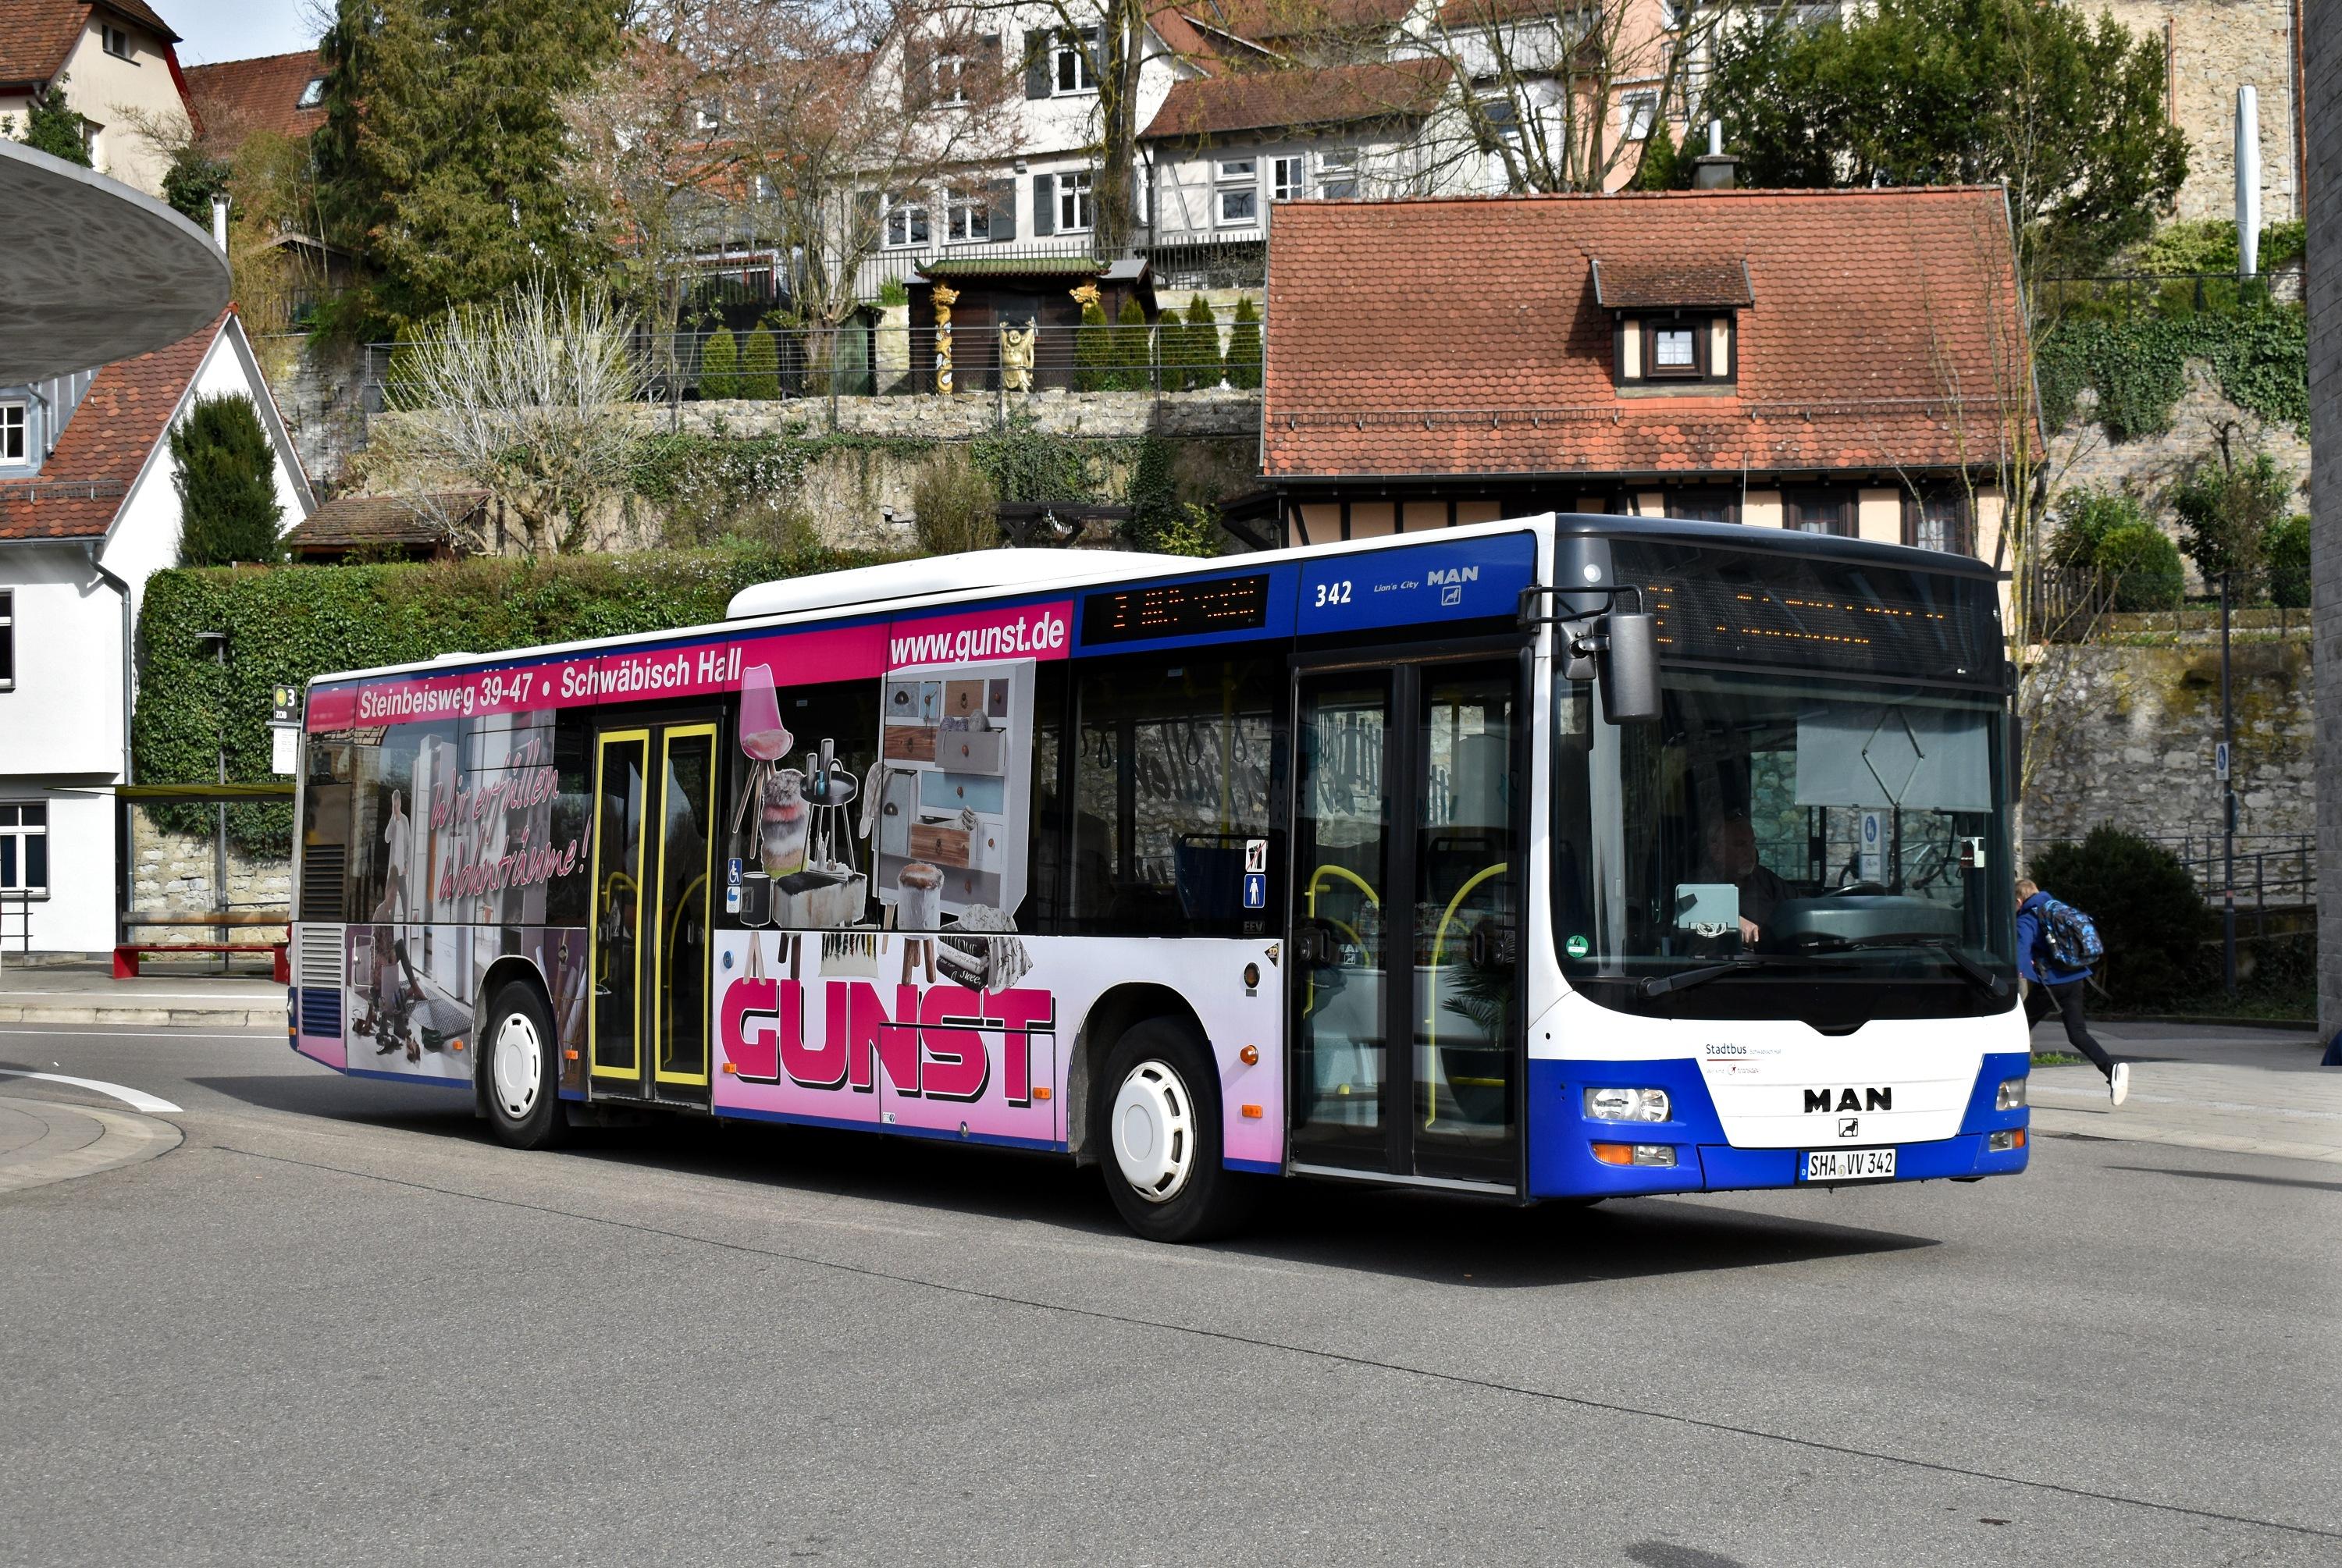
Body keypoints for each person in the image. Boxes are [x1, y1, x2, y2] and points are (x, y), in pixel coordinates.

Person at [2016, 877, 2128, 1106]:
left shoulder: (2027, 918)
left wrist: (2016, 973)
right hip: (2076, 978)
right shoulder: (2056, 908)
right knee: (2078, 1034)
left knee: (2016, 1030)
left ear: (2019, 901)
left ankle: (2006, 1084)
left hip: (2051, 984)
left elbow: (2020, 950)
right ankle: (2112, 1069)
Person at [1701, 809, 1793, 944]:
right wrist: (1732, 921)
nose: (1749, 851)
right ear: (1716, 850)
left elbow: (1800, 905)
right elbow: (1690, 910)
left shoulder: (1762, 877)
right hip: (1726, 962)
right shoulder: (1700, 882)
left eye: (1752, 843)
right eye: (1740, 844)